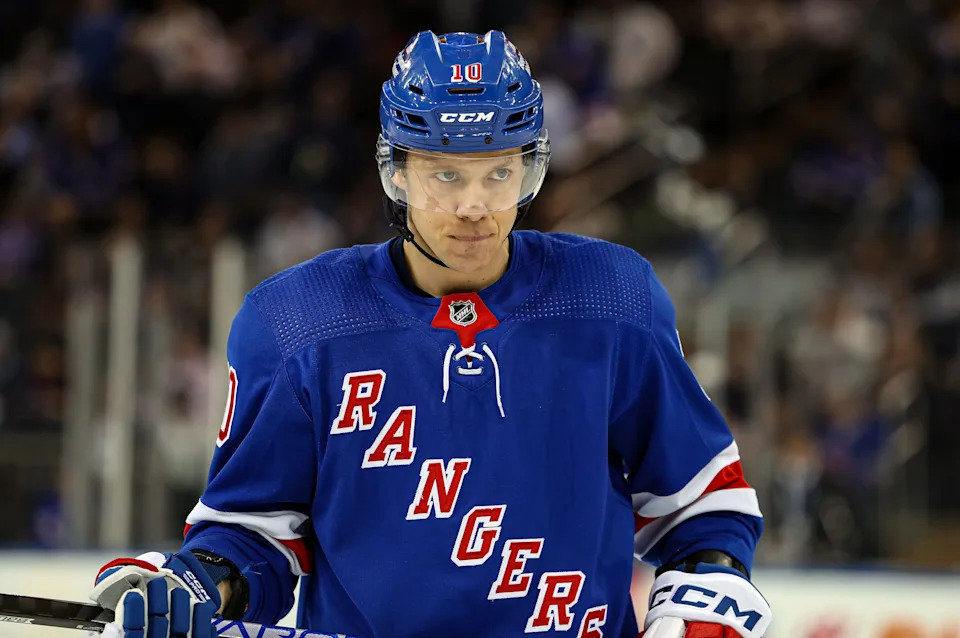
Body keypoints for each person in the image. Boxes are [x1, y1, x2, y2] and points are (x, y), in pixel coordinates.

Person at [90, 30, 771, 638]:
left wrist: (704, 597)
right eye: (446, 173)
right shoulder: (296, 323)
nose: (474, 207)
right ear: (398, 173)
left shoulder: (613, 300)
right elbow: (254, 535)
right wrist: (202, 582)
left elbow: (700, 502)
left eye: (499, 173)